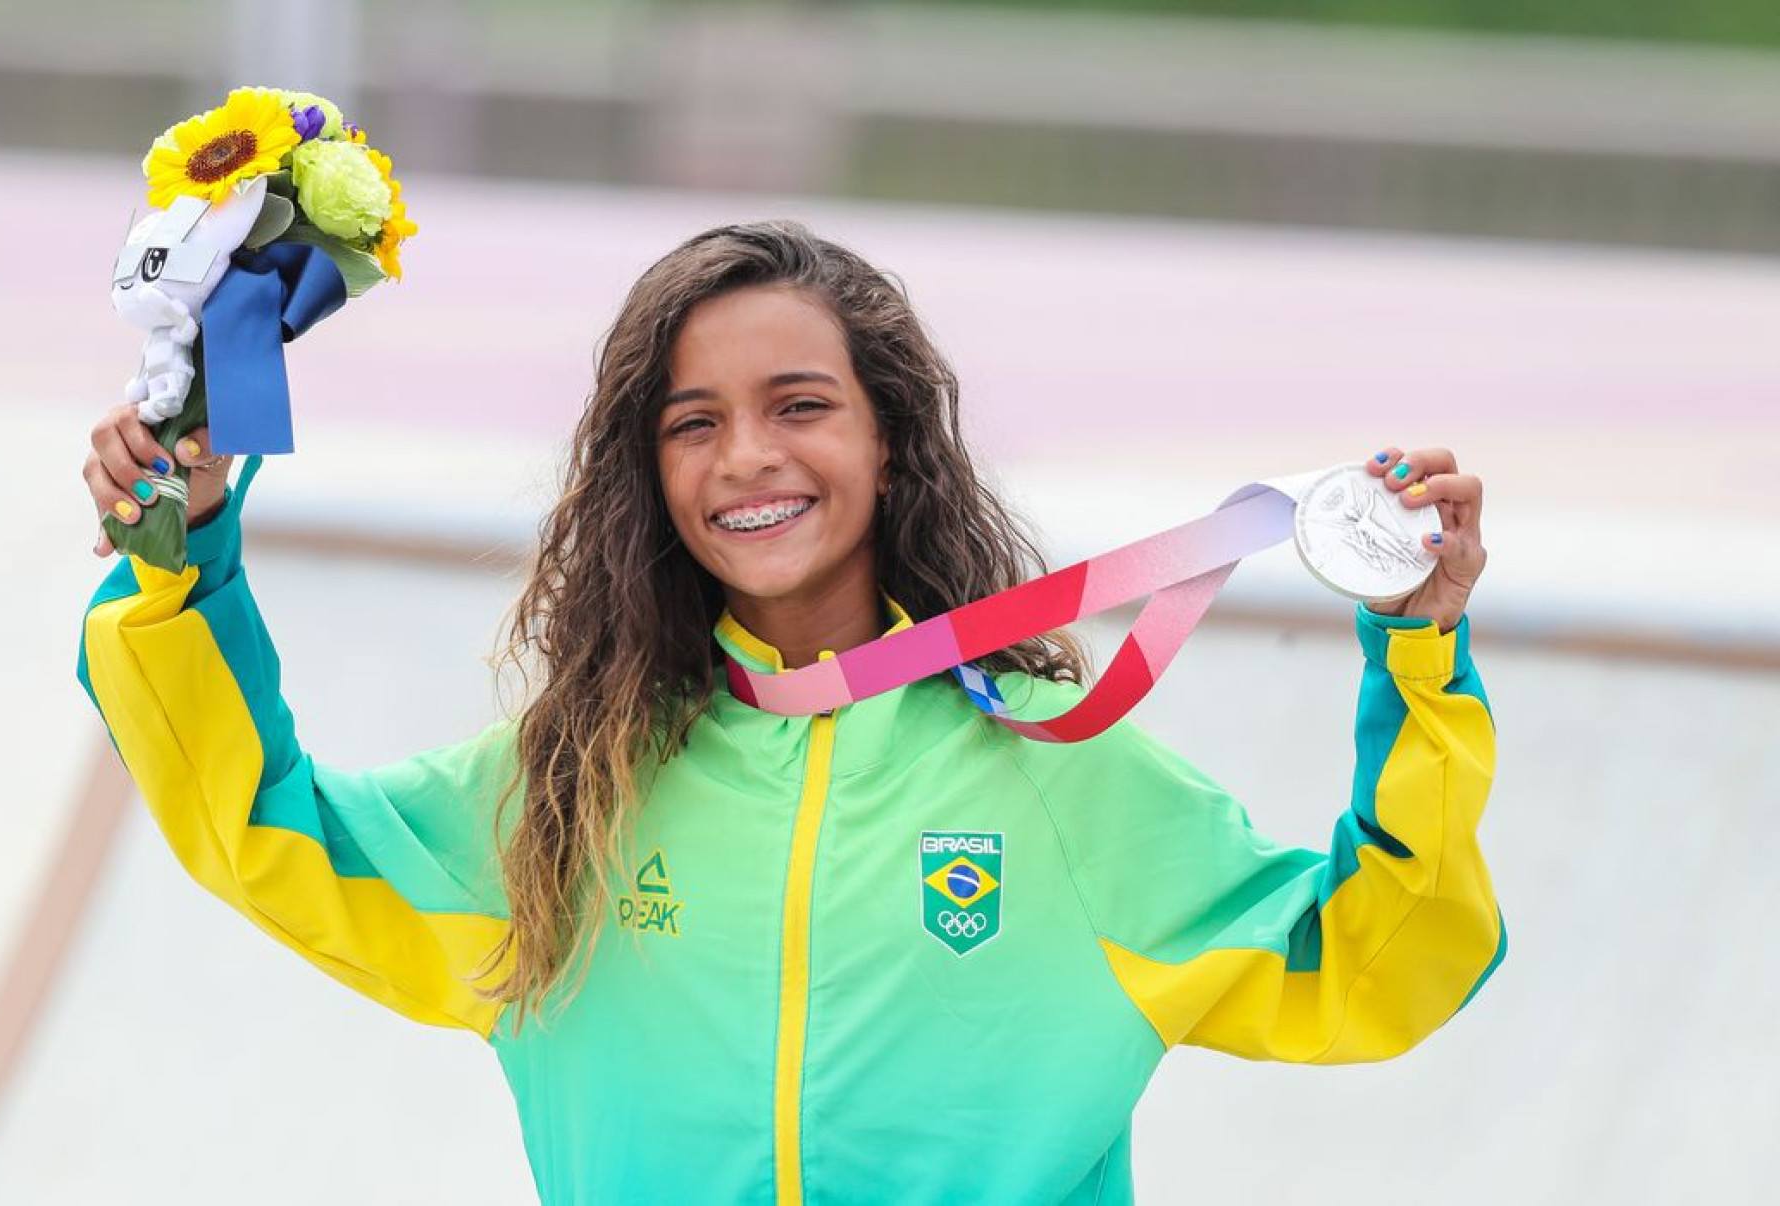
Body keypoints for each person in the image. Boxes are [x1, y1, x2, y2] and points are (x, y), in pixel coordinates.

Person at [76, 220, 1501, 1205]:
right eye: (693, 420)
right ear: (651, 472)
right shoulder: (570, 787)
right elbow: (266, 826)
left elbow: (1376, 961)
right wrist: (181, 554)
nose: (747, 455)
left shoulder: (1061, 782)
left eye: (800, 403)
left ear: (890, 437)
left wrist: (1418, 651)